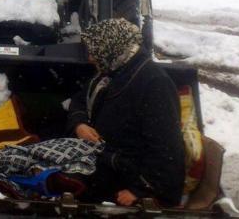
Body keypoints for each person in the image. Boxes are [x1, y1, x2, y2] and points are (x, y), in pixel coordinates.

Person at [67, 18, 185, 207]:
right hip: (104, 163)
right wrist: (80, 124)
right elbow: (80, 100)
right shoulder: (111, 73)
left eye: (93, 50)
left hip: (127, 177)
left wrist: (141, 190)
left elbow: (167, 148)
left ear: (111, 47)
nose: (90, 57)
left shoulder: (154, 83)